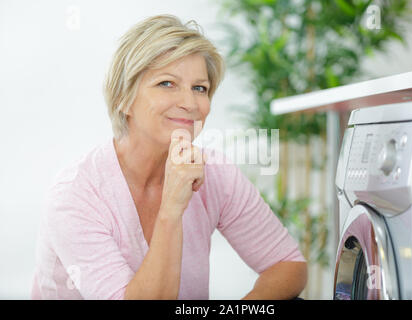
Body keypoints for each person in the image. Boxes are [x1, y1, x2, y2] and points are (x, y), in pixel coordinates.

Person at [31, 14, 307, 300]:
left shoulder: (215, 173)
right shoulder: (75, 194)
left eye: (200, 88)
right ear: (123, 98)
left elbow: (288, 264)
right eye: (166, 83)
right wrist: (171, 209)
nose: (189, 103)